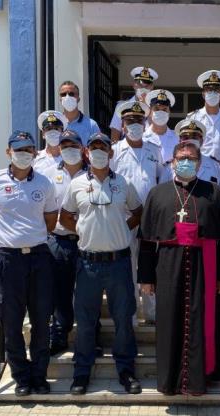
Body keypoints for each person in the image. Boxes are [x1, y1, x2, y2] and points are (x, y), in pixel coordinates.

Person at [138, 142, 220, 395]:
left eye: (191, 158)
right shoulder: (157, 193)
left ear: (200, 163)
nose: (186, 161)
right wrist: (146, 277)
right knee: (169, 319)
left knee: (202, 319)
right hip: (168, 263)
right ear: (172, 162)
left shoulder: (213, 192)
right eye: (181, 157)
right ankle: (170, 380)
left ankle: (199, 378)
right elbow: (147, 240)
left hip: (205, 263)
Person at [0, 130, 57, 396]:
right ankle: (22, 378)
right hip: (8, 259)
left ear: (35, 153)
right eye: (18, 149)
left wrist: (32, 234)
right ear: (8, 152)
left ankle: (39, 376)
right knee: (12, 321)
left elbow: (51, 219)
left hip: (39, 257)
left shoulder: (44, 183)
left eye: (28, 149)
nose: (23, 154)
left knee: (42, 319)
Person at [59, 133, 143, 395]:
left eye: (103, 148)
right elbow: (65, 216)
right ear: (86, 152)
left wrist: (121, 227)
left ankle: (126, 370)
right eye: (93, 148)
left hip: (118, 263)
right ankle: (81, 373)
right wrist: (83, 232)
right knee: (85, 322)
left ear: (111, 153)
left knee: (123, 319)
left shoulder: (124, 183)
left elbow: (138, 212)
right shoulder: (75, 184)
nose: (98, 152)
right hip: (88, 264)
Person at [110, 100, 167, 324]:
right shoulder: (115, 152)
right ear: (122, 125)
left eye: (138, 121)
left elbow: (161, 179)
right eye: (129, 121)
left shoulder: (155, 150)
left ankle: (152, 313)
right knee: (128, 267)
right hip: (125, 218)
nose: (134, 125)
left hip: (152, 218)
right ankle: (131, 314)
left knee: (151, 264)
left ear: (145, 123)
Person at [39, 129, 86, 356]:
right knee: (60, 291)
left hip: (86, 241)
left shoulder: (93, 174)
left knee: (88, 292)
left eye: (73, 146)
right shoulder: (47, 174)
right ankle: (59, 333)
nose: (69, 150)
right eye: (65, 146)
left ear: (82, 149)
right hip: (59, 241)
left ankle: (90, 336)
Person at [186, 70, 220, 173]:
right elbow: (187, 145)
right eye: (209, 90)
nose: (213, 93)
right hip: (199, 169)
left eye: (216, 90)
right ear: (203, 94)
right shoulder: (193, 118)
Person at [161, 119, 220, 191]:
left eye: (194, 137)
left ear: (201, 141)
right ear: (180, 141)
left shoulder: (216, 166)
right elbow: (162, 192)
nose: (190, 141)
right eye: (186, 137)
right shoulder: (169, 167)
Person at [110, 66, 158, 142]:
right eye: (140, 84)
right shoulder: (122, 106)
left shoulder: (157, 109)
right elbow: (115, 135)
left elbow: (158, 132)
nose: (143, 88)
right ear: (134, 85)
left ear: (152, 87)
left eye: (147, 86)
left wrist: (147, 107)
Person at [58, 80, 100, 145]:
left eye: (71, 94)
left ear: (78, 99)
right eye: (63, 94)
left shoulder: (91, 125)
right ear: (60, 99)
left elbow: (98, 148)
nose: (67, 97)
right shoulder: (55, 125)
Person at [143, 89, 178, 163]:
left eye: (164, 109)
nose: (161, 112)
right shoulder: (142, 138)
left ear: (169, 112)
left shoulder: (177, 139)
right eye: (156, 109)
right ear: (150, 112)